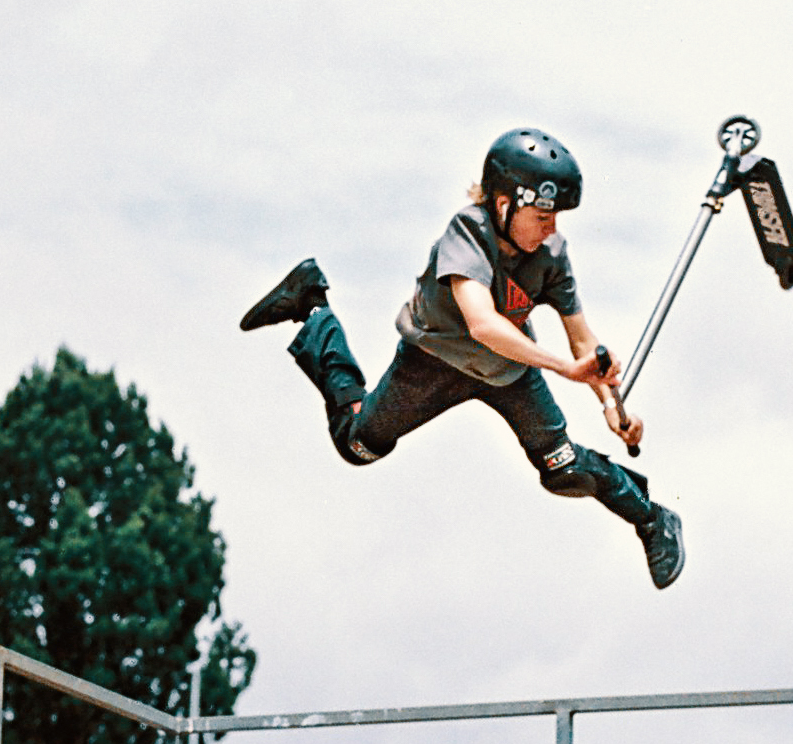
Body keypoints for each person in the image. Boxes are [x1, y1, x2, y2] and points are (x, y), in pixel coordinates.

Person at [239, 127, 685, 589]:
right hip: (432, 360)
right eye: (542, 216)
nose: (552, 228)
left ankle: (653, 519)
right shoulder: (466, 233)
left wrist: (612, 404)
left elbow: (583, 342)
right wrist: (566, 370)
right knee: (358, 445)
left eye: (557, 218)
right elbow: (483, 324)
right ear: (503, 203)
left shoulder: (551, 253)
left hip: (507, 372)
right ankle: (312, 304)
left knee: (563, 466)